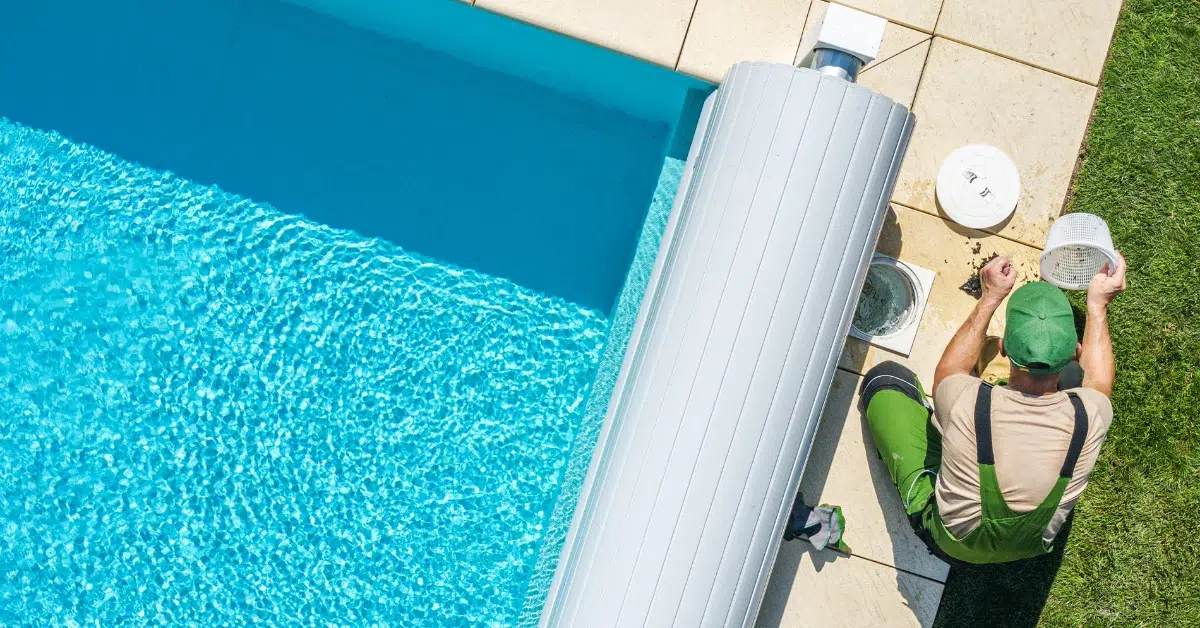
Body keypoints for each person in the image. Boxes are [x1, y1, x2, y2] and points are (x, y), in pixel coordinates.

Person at [859, 253, 1126, 564]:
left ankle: (923, 501)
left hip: (953, 543)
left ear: (1003, 348)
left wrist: (991, 297)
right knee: (1069, 381)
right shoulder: (1090, 415)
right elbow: (1099, 380)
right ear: (1076, 352)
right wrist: (1097, 307)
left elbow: (950, 371)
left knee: (886, 380)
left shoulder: (968, 402)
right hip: (1031, 544)